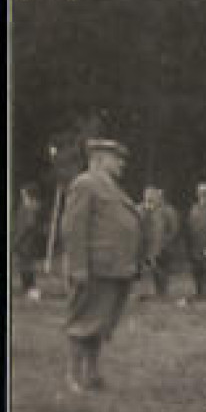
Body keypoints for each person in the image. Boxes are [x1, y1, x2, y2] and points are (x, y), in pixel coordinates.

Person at [59, 138, 144, 391]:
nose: (121, 164)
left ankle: (92, 374)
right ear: (98, 159)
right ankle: (73, 376)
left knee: (101, 322)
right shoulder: (85, 184)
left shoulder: (111, 187)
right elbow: (74, 227)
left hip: (115, 268)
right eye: (116, 159)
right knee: (83, 321)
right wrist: (78, 268)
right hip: (96, 267)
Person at [138, 185, 178, 299]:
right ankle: (144, 293)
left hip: (162, 246)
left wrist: (166, 242)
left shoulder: (167, 211)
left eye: (152, 195)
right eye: (147, 195)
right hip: (145, 245)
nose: (149, 197)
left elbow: (173, 229)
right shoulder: (140, 209)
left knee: (161, 270)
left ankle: (162, 291)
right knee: (145, 270)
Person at [13, 184, 45, 301]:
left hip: (26, 242)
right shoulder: (26, 207)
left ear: (29, 195)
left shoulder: (30, 207)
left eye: (24, 194)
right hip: (24, 242)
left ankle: (31, 289)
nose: (23, 196)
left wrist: (18, 240)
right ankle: (27, 289)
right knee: (23, 265)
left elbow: (28, 225)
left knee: (26, 266)